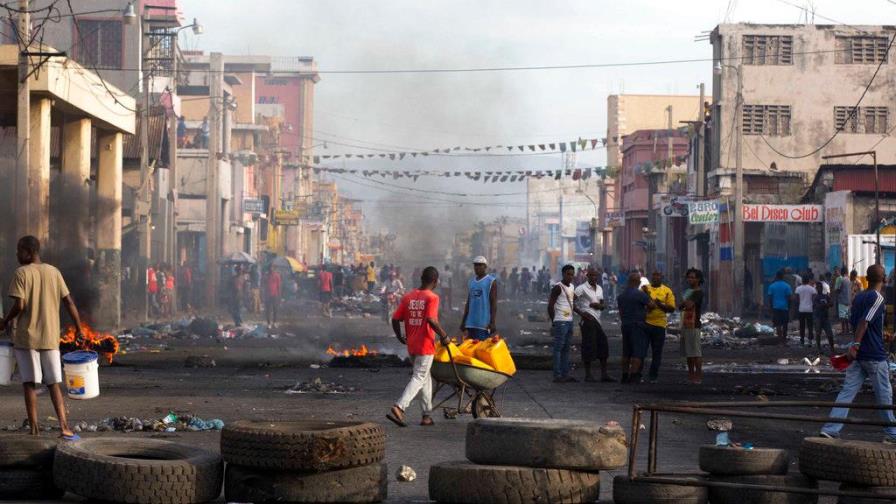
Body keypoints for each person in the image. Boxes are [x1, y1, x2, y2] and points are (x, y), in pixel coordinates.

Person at [0, 236, 83, 440]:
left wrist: (5, 321)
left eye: (19, 250)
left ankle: (34, 428)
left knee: (29, 383)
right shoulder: (54, 272)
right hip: (50, 337)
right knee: (54, 383)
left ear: (28, 251)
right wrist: (79, 328)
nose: (17, 254)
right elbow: (69, 302)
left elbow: (19, 305)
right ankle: (64, 426)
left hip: (27, 337)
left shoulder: (21, 273)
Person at [820, 264, 896, 442]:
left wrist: (878, 336)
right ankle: (892, 434)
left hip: (858, 357)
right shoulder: (878, 298)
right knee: (884, 396)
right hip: (874, 356)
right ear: (884, 278)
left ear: (867, 279)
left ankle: (830, 429)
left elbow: (859, 323)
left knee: (846, 393)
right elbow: (864, 322)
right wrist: (855, 345)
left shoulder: (859, 297)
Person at [387, 266, 448, 427]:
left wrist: (401, 336)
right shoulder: (432, 298)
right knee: (419, 377)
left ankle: (426, 415)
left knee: (425, 378)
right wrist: (444, 336)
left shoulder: (408, 297)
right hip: (425, 345)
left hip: (412, 345)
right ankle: (400, 407)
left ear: (421, 278)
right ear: (435, 281)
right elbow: (431, 320)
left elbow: (395, 319)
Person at [574, 266, 613, 382]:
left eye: (595, 275)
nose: (593, 277)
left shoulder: (600, 288)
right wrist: (581, 313)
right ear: (587, 276)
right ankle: (588, 374)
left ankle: (604, 374)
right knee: (588, 346)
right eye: (591, 275)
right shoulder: (581, 288)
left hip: (597, 320)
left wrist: (599, 306)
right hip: (587, 320)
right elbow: (570, 301)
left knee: (603, 344)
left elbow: (602, 304)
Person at [617, 272, 655, 384]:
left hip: (625, 325)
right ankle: (634, 376)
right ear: (637, 282)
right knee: (637, 352)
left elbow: (620, 311)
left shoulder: (621, 296)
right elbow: (652, 305)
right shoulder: (640, 294)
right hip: (637, 325)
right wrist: (647, 294)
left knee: (626, 352)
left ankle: (624, 375)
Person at [643, 271, 676, 383]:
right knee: (641, 350)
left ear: (662, 278)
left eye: (658, 276)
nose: (655, 277)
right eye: (654, 275)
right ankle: (638, 374)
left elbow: (671, 308)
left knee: (657, 352)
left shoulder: (667, 291)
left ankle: (653, 375)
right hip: (645, 324)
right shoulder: (644, 289)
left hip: (660, 325)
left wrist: (659, 304)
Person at [548, 264, 577, 383]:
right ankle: (557, 375)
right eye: (568, 274)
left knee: (566, 349)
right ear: (563, 274)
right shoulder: (557, 287)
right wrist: (554, 321)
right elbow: (550, 306)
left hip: (569, 321)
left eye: (572, 274)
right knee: (558, 349)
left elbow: (572, 302)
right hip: (560, 322)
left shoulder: (572, 287)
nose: (570, 277)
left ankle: (565, 374)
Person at [460, 257, 497, 341]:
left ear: (485, 266)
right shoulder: (471, 282)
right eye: (475, 265)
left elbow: (493, 303)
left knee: (481, 350)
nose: (477, 267)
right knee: (469, 350)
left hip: (483, 324)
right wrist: (463, 321)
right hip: (470, 323)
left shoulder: (491, 281)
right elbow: (469, 302)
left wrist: (492, 322)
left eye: (480, 265)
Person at [680, 268, 705, 384]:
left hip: (694, 324)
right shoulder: (688, 291)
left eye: (693, 277)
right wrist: (684, 303)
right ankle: (691, 375)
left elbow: (688, 305)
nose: (690, 279)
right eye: (689, 277)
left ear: (698, 279)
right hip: (685, 324)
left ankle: (698, 376)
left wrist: (685, 303)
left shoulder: (698, 292)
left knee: (695, 353)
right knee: (688, 353)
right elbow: (680, 306)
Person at [768, 271, 793, 342]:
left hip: (775, 307)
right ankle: (784, 339)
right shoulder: (787, 286)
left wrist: (770, 307)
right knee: (785, 324)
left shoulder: (772, 286)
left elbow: (770, 298)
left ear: (776, 276)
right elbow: (790, 298)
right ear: (783, 277)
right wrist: (789, 307)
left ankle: (780, 339)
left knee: (777, 324)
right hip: (785, 308)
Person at [813, 280, 835, 353]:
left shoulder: (825, 296)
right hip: (818, 317)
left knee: (829, 334)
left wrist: (825, 305)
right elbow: (817, 306)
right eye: (818, 288)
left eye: (820, 287)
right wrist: (826, 305)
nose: (819, 289)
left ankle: (832, 348)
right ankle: (819, 348)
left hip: (825, 318)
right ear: (817, 288)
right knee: (818, 334)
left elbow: (831, 303)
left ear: (822, 288)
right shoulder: (816, 297)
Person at [795, 278, 816, 346]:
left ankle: (802, 340)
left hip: (801, 309)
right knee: (810, 325)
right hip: (809, 309)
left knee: (802, 326)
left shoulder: (798, 288)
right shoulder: (812, 289)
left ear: (802, 281)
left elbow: (797, 299)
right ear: (808, 281)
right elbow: (814, 298)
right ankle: (810, 340)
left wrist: (799, 304)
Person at [835, 266, 851, 337]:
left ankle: (843, 331)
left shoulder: (839, 279)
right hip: (848, 300)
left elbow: (837, 289)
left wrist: (836, 292)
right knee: (847, 316)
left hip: (841, 299)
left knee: (842, 316)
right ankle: (847, 330)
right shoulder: (848, 279)